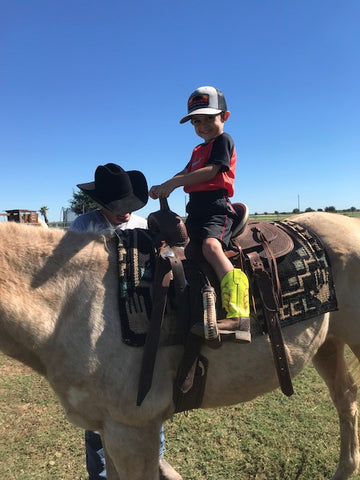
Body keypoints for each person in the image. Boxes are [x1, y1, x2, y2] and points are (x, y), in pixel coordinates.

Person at [70, 163, 183, 480]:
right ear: (101, 204)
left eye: (128, 207)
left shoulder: (143, 224)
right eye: (116, 208)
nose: (124, 213)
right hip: (96, 326)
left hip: (137, 320)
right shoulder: (83, 227)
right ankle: (102, 471)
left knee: (144, 392)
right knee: (99, 400)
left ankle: (155, 457)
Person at [149, 86, 251, 344]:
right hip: (195, 208)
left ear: (224, 117)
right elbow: (184, 173)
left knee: (210, 247)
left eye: (209, 119)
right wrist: (164, 184)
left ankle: (240, 315)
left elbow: (211, 172)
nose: (202, 126)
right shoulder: (196, 150)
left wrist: (173, 184)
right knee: (187, 251)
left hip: (216, 206)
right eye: (196, 121)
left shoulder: (223, 142)